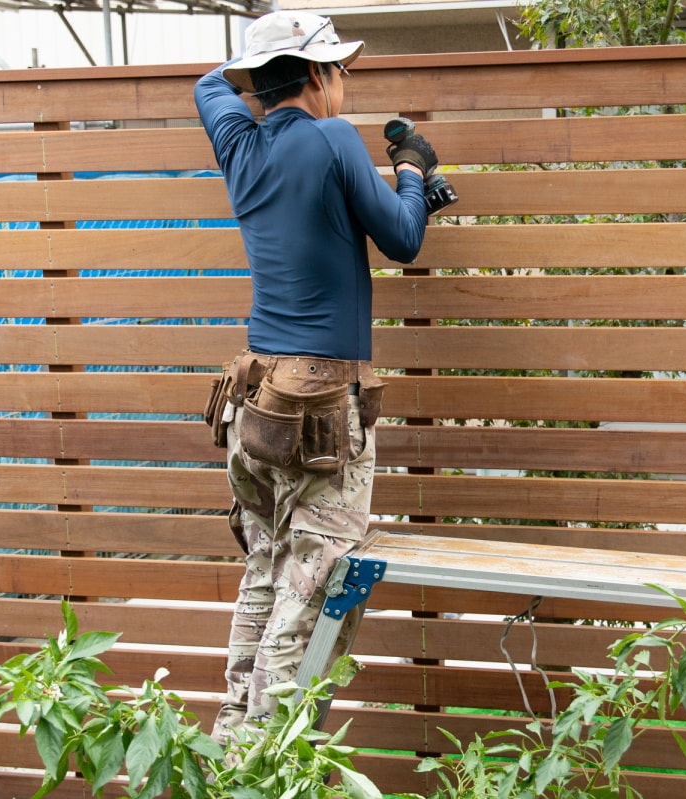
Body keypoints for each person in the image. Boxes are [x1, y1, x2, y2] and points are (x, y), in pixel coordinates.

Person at [194, 11, 440, 745]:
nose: (345, 88)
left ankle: (228, 746)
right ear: (317, 76)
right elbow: (402, 238)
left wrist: (261, 71)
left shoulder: (236, 141)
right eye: (339, 72)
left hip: (254, 402)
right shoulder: (334, 139)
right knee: (307, 597)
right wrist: (413, 170)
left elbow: (211, 83)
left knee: (265, 576)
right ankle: (264, 770)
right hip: (320, 412)